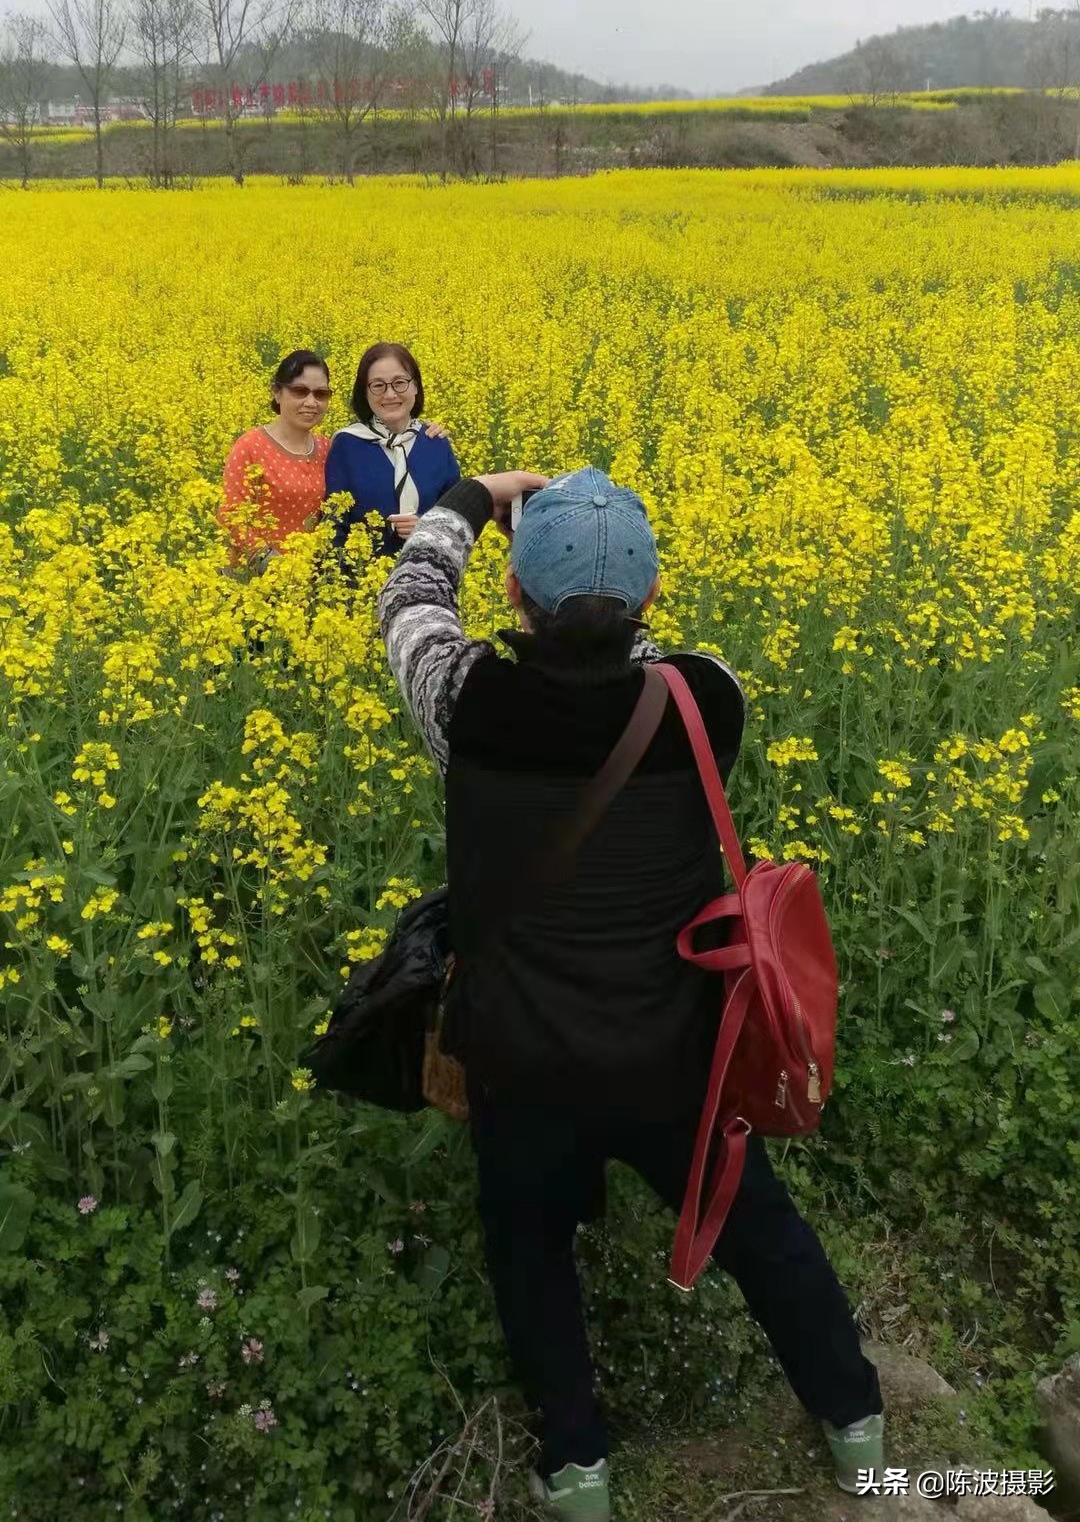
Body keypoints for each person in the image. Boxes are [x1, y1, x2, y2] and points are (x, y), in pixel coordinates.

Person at [378, 467, 885, 1521]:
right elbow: (637, 670)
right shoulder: (708, 698)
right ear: (651, 600)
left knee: (528, 1243)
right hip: (673, 1047)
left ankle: (578, 1470)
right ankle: (856, 1423)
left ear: (512, 593)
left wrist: (473, 497)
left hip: (521, 1054)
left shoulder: (468, 700)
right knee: (756, 1225)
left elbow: (411, 596)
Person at [324, 341, 460, 558]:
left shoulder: (435, 442)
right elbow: (334, 526)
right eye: (378, 386)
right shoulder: (347, 445)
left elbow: (457, 518)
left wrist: (426, 528)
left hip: (432, 571)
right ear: (364, 392)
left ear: (415, 386)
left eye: (400, 383)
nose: (390, 394)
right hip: (361, 574)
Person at [220, 350, 332, 568]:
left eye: (321, 394)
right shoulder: (250, 447)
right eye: (300, 391)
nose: (311, 402)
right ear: (277, 393)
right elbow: (231, 516)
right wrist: (277, 567)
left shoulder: (327, 448)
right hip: (255, 577)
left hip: (311, 575)